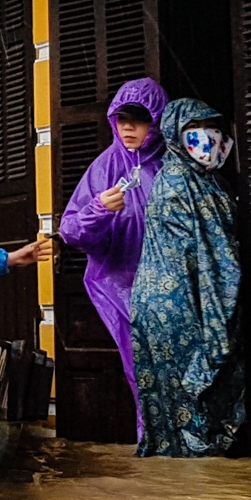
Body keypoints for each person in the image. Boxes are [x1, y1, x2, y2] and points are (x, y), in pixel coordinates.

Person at [130, 98, 246, 458]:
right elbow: (216, 256)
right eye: (195, 130)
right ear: (175, 135)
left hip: (161, 304)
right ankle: (201, 487)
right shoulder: (182, 184)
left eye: (213, 128)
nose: (208, 139)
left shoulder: (194, 180)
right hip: (181, 306)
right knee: (195, 400)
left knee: (174, 400)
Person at [58, 79, 168, 414]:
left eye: (139, 118)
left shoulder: (174, 164)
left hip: (172, 288)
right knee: (142, 373)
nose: (129, 127)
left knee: (183, 370)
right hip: (121, 287)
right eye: (122, 119)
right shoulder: (105, 167)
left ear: (158, 120)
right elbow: (71, 232)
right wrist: (99, 210)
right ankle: (153, 445)